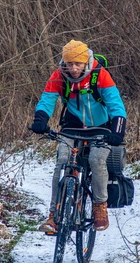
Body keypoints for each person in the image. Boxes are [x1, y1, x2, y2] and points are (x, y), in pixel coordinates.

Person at [29, 40, 127, 232]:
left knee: (96, 160)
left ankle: (100, 207)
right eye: (69, 64)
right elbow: (47, 99)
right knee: (62, 161)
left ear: (86, 62)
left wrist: (117, 131)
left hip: (101, 127)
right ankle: (53, 216)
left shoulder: (100, 75)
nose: (73, 69)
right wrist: (40, 120)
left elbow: (116, 105)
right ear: (63, 63)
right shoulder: (59, 75)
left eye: (78, 64)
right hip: (72, 126)